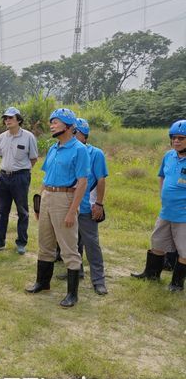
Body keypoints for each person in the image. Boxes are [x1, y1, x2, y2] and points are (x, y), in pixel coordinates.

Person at [25, 108, 90, 308]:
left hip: (65, 198)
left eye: (56, 122)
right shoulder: (53, 148)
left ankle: (72, 294)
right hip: (48, 196)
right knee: (45, 243)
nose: (51, 125)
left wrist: (72, 210)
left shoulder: (79, 149)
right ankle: (42, 282)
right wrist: (39, 202)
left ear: (69, 126)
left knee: (69, 247)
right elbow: (45, 178)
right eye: (51, 121)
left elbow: (82, 183)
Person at [131, 119, 186, 292]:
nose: (176, 141)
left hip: (183, 215)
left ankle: (177, 284)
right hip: (166, 211)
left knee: (184, 250)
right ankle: (151, 274)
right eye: (173, 138)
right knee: (157, 242)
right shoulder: (168, 156)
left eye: (180, 138)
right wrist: (162, 195)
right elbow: (162, 176)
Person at [0, 107, 38, 255]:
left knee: (22, 211)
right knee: (2, 211)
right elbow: (0, 155)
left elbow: (33, 158)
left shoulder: (28, 137)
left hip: (20, 177)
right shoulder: (2, 137)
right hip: (3, 177)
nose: (7, 120)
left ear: (19, 120)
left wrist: (23, 172)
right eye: (5, 118)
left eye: (10, 118)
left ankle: (21, 242)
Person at [72, 118, 109, 295]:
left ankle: (98, 280)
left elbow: (101, 180)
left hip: (87, 206)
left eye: (74, 132)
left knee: (91, 244)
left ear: (83, 135)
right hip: (69, 206)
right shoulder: (68, 152)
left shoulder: (96, 154)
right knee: (73, 242)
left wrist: (99, 204)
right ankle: (75, 271)